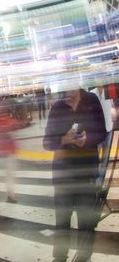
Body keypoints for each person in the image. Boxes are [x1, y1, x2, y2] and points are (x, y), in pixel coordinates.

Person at [43, 87, 106, 262]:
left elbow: (101, 132)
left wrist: (88, 140)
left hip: (87, 172)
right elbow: (47, 143)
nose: (65, 91)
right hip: (63, 174)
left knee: (86, 223)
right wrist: (63, 140)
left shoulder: (92, 100)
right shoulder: (57, 107)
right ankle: (60, 257)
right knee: (62, 222)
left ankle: (84, 257)